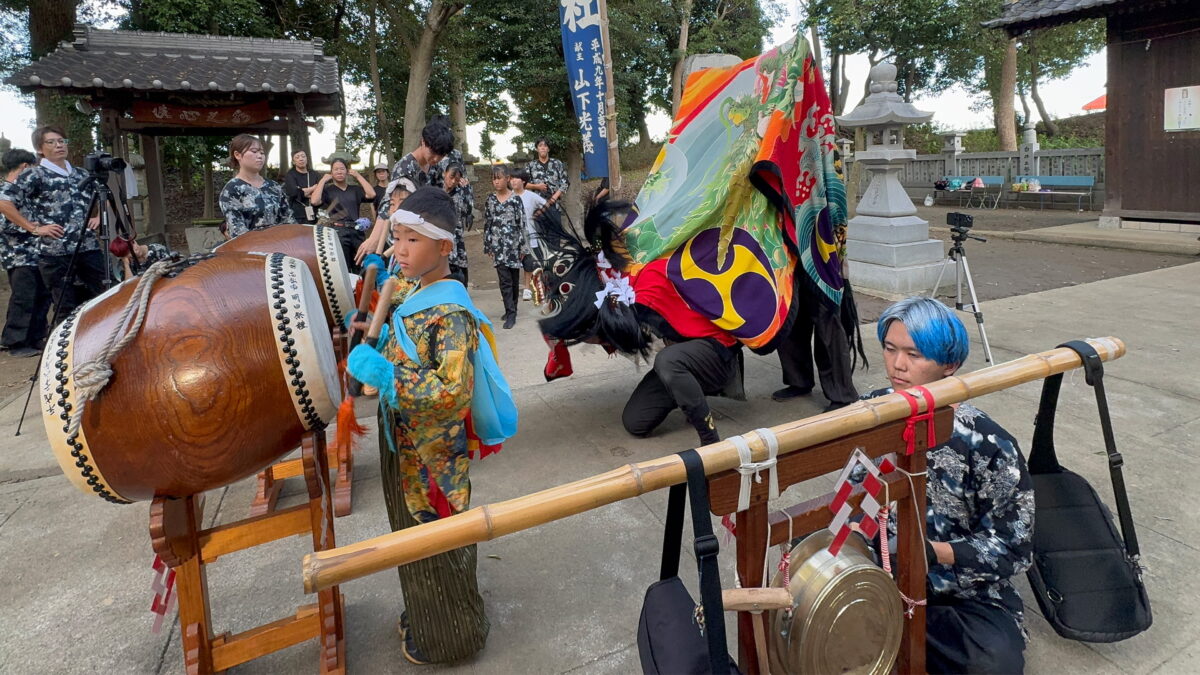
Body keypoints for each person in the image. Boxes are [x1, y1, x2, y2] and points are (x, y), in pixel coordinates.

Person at [345, 186, 490, 665]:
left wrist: (386, 374)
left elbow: (451, 394)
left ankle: (452, 636)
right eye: (397, 238)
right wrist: (379, 335)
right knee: (410, 542)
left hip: (432, 464)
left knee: (435, 545)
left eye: (411, 241)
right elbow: (395, 324)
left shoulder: (451, 315)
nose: (399, 250)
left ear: (444, 248)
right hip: (401, 445)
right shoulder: (411, 289)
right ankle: (425, 613)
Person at [862, 296, 1033, 674]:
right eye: (890, 349)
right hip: (883, 578)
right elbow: (859, 494)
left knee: (991, 663)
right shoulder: (870, 412)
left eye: (915, 354)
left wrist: (933, 551)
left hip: (962, 596)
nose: (898, 365)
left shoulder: (989, 444)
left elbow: (1014, 547)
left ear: (949, 365)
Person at [0, 126, 104, 323]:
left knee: (102, 296)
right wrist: (34, 228)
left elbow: (100, 196)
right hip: (55, 251)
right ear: (40, 149)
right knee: (65, 305)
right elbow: (4, 202)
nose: (59, 145)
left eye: (62, 141)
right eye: (51, 142)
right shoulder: (34, 175)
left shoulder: (82, 174)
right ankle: (66, 351)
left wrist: (98, 217)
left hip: (88, 247)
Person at [0, 148, 50, 356]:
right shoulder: (5, 192)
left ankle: (36, 336)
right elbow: (5, 223)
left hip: (38, 252)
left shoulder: (26, 191)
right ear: (24, 167)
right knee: (24, 296)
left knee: (42, 295)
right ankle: (16, 341)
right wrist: (33, 226)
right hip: (18, 254)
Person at [219, 134, 295, 238]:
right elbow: (237, 232)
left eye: (262, 152)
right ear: (237, 155)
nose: (260, 156)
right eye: (254, 151)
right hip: (250, 251)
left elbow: (288, 219)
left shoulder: (274, 186)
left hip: (282, 246)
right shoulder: (231, 190)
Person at [483, 165, 529, 330]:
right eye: (494, 178)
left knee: (514, 280)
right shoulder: (490, 200)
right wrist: (487, 244)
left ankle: (513, 308)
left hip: (513, 247)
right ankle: (510, 313)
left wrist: (524, 247)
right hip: (498, 247)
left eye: (499, 178)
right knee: (504, 281)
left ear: (507, 179)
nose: (496, 181)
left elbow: (522, 223)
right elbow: (487, 223)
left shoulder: (515, 199)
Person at [311, 158, 375, 271]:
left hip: (357, 230)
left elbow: (371, 194)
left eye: (342, 169)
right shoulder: (328, 190)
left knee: (360, 266)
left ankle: (360, 288)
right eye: (336, 169)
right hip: (338, 231)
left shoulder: (355, 189)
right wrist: (322, 181)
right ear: (331, 173)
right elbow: (315, 201)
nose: (339, 172)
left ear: (347, 171)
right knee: (342, 268)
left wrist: (358, 176)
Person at [509, 169, 546, 301]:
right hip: (512, 237)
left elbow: (546, 204)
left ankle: (527, 288)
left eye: (516, 178)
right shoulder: (509, 196)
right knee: (512, 264)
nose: (512, 181)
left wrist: (538, 214)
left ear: (523, 181)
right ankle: (511, 290)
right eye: (511, 178)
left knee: (528, 263)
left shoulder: (530, 196)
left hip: (529, 235)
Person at [390, 119, 454, 190]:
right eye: (432, 152)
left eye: (441, 156)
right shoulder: (403, 168)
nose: (436, 159)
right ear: (423, 141)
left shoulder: (436, 167)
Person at [442, 163, 472, 285]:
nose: (453, 181)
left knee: (460, 266)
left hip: (456, 234)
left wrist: (466, 191)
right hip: (440, 233)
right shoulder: (436, 190)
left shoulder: (460, 192)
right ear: (444, 174)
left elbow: (467, 210)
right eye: (451, 177)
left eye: (457, 179)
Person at [525, 138, 568, 212]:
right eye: (540, 146)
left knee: (556, 223)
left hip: (555, 204)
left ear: (548, 149)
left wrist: (555, 197)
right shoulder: (530, 165)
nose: (542, 148)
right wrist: (537, 186)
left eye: (545, 146)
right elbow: (524, 184)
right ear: (537, 149)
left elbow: (565, 182)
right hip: (537, 205)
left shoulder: (557, 163)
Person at [282, 150, 322, 224]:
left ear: (307, 158)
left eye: (303, 156)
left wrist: (301, 191)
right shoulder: (290, 175)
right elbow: (293, 193)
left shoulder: (315, 174)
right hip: (296, 214)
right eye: (297, 157)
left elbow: (321, 191)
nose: (301, 159)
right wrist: (313, 189)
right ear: (294, 162)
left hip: (315, 213)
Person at [109, 236, 173, 280]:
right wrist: (126, 265)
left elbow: (171, 270)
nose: (135, 251)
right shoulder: (126, 263)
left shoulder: (158, 250)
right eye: (128, 253)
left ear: (134, 241)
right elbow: (129, 286)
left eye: (133, 245)